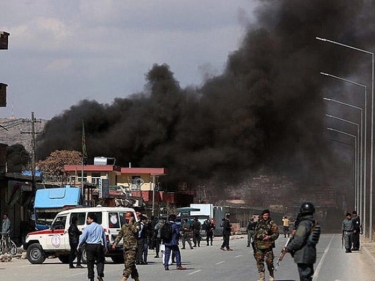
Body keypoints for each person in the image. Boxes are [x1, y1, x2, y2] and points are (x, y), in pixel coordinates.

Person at [283, 202, 321, 281]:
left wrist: (288, 248)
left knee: (304, 277)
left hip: (303, 254)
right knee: (307, 276)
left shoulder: (304, 224)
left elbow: (298, 239)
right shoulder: (314, 222)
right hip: (310, 253)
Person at [112, 211, 141, 281]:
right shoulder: (124, 226)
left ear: (132, 217)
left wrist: (131, 222)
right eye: (126, 217)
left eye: (128, 217)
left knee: (129, 265)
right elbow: (119, 235)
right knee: (131, 265)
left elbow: (135, 231)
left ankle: (123, 279)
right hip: (126, 248)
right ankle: (136, 279)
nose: (126, 219)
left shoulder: (136, 224)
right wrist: (115, 243)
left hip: (132, 248)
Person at [77, 213, 107, 281]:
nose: (87, 220)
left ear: (92, 219)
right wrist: (105, 247)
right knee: (100, 261)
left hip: (90, 246)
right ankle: (100, 274)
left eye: (88, 218)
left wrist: (79, 245)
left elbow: (83, 237)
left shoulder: (87, 227)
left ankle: (91, 277)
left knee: (90, 262)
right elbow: (104, 238)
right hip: (98, 246)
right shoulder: (100, 227)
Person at [254, 209, 279, 281]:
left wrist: (269, 237)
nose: (265, 217)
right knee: (259, 261)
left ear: (268, 216)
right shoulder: (259, 223)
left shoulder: (272, 223)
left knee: (269, 261)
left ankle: (271, 275)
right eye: (264, 215)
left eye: (266, 215)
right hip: (259, 245)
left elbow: (276, 234)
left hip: (268, 246)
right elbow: (255, 233)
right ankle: (262, 277)